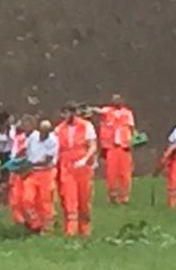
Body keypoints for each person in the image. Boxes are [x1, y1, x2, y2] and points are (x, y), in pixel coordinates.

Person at [54, 102, 98, 237]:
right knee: (69, 196)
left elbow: (92, 145)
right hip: (66, 164)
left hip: (83, 165)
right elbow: (55, 149)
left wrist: (86, 159)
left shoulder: (86, 126)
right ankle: (70, 231)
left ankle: (85, 229)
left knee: (84, 197)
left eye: (68, 113)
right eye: (64, 113)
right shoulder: (59, 129)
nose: (65, 116)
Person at [21, 119, 60, 234]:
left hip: (46, 173)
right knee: (26, 199)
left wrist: (30, 164)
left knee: (45, 201)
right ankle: (35, 223)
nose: (44, 135)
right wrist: (17, 162)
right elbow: (25, 151)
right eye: (42, 131)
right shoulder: (33, 137)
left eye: (46, 132)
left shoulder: (53, 141)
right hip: (32, 172)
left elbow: (46, 160)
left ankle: (47, 228)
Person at [98, 94, 137, 205]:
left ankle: (124, 197)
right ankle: (112, 196)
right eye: (114, 99)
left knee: (125, 174)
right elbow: (98, 111)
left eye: (118, 99)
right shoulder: (107, 111)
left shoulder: (128, 113)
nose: (116, 101)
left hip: (124, 147)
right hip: (111, 147)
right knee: (111, 173)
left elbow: (132, 128)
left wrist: (136, 140)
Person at [7, 114, 36, 226]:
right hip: (16, 170)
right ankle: (20, 223)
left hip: (29, 171)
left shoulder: (36, 138)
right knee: (14, 199)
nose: (25, 126)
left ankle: (33, 223)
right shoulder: (18, 138)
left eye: (28, 124)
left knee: (28, 198)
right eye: (23, 123)